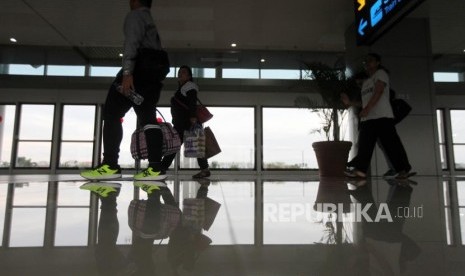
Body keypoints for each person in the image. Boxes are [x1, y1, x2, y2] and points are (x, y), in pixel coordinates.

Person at [81, 0, 168, 181]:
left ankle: (111, 165)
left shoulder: (136, 16)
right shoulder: (148, 19)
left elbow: (132, 43)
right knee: (148, 119)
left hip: (137, 73)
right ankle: (155, 169)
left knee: (112, 113)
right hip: (153, 76)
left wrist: (127, 73)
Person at [341, 53, 412, 179]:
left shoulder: (381, 74)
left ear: (378, 62)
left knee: (391, 145)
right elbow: (364, 101)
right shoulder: (367, 82)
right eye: (365, 62)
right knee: (364, 145)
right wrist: (349, 103)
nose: (367, 64)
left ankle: (403, 170)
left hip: (383, 117)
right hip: (368, 119)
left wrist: (367, 109)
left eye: (370, 61)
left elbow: (379, 91)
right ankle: (360, 171)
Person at [160, 65, 210, 179]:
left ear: (189, 76)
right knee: (195, 146)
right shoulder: (183, 87)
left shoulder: (189, 86)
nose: (180, 74)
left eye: (183, 72)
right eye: (179, 72)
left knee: (174, 145)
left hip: (185, 123)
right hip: (183, 123)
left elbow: (192, 101)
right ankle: (205, 169)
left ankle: (162, 168)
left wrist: (192, 117)